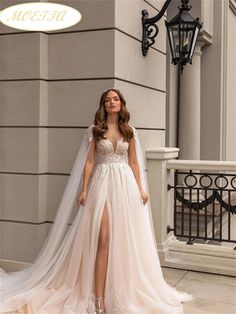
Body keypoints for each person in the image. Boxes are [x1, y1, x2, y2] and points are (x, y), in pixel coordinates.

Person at [0, 88, 193, 314]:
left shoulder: (129, 131)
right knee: (103, 237)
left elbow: (133, 163)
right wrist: (84, 190)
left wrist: (141, 188)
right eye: (108, 100)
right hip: (101, 185)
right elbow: (90, 162)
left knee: (123, 240)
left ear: (121, 103)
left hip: (125, 186)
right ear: (103, 105)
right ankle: (98, 300)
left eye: (116, 99)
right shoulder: (95, 130)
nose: (112, 102)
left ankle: (119, 292)